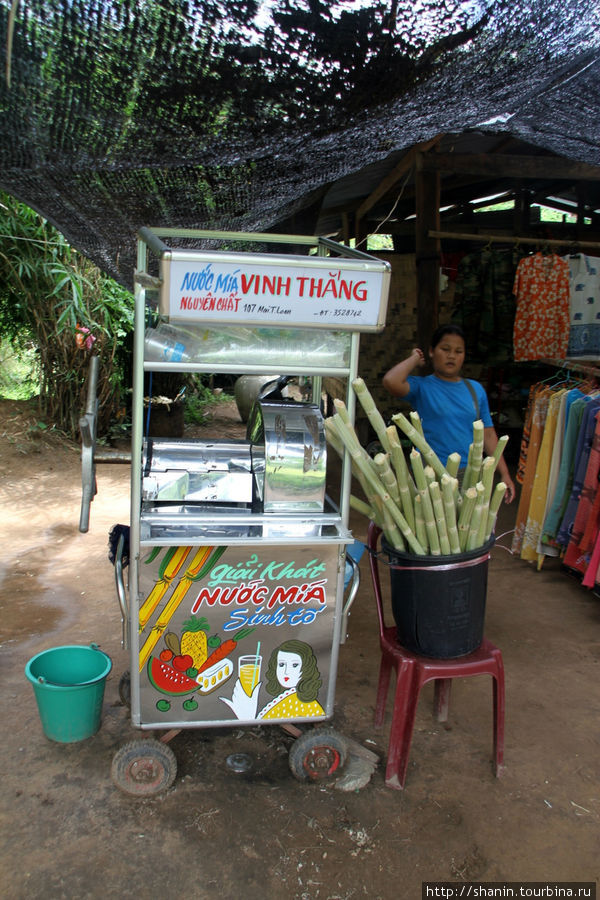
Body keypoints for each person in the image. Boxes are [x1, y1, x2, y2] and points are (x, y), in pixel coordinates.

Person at [382, 324, 515, 502]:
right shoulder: (422, 387)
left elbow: (489, 434)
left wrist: (504, 474)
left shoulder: (475, 390)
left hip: (469, 474)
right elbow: (391, 381)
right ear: (432, 351)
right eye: (445, 349)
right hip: (429, 474)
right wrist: (415, 358)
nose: (452, 355)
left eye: (458, 351)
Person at [220, 639, 325, 720]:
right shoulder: (287, 697)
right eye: (282, 664)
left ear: (307, 667)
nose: (286, 671)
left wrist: (248, 714)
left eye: (294, 665)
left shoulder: (306, 704)